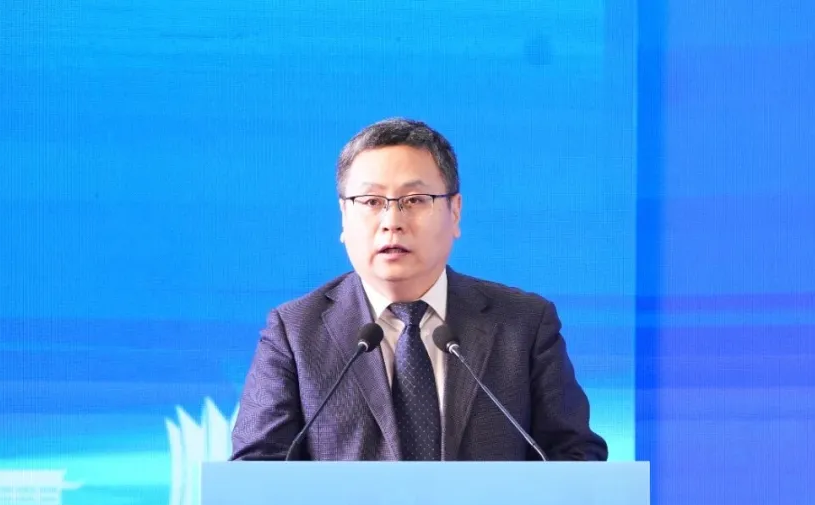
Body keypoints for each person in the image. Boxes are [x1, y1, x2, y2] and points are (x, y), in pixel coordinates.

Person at [231, 117, 607, 461]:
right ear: (344, 217)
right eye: (371, 201)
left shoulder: (523, 324)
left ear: (455, 212)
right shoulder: (295, 332)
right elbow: (255, 473)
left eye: (414, 200)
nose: (392, 221)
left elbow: (575, 457)